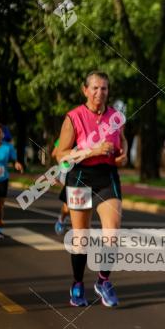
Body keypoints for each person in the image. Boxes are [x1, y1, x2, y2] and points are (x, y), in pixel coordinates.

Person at [56, 71, 128, 307]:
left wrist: (122, 157)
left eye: (104, 88)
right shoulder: (73, 117)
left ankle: (103, 280)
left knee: (113, 232)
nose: (100, 93)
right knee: (81, 237)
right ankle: (77, 284)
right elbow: (61, 157)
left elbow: (122, 144)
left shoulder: (116, 117)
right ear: (85, 90)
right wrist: (91, 151)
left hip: (107, 177)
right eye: (95, 88)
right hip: (80, 177)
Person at [0, 124, 24, 240]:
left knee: (1, 206)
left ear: (2, 134)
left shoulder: (8, 147)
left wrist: (17, 164)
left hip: (3, 179)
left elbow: (14, 160)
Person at [51, 139, 71, 234]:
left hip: (81, 171)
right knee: (68, 205)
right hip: (66, 170)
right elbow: (54, 154)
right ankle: (61, 220)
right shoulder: (63, 137)